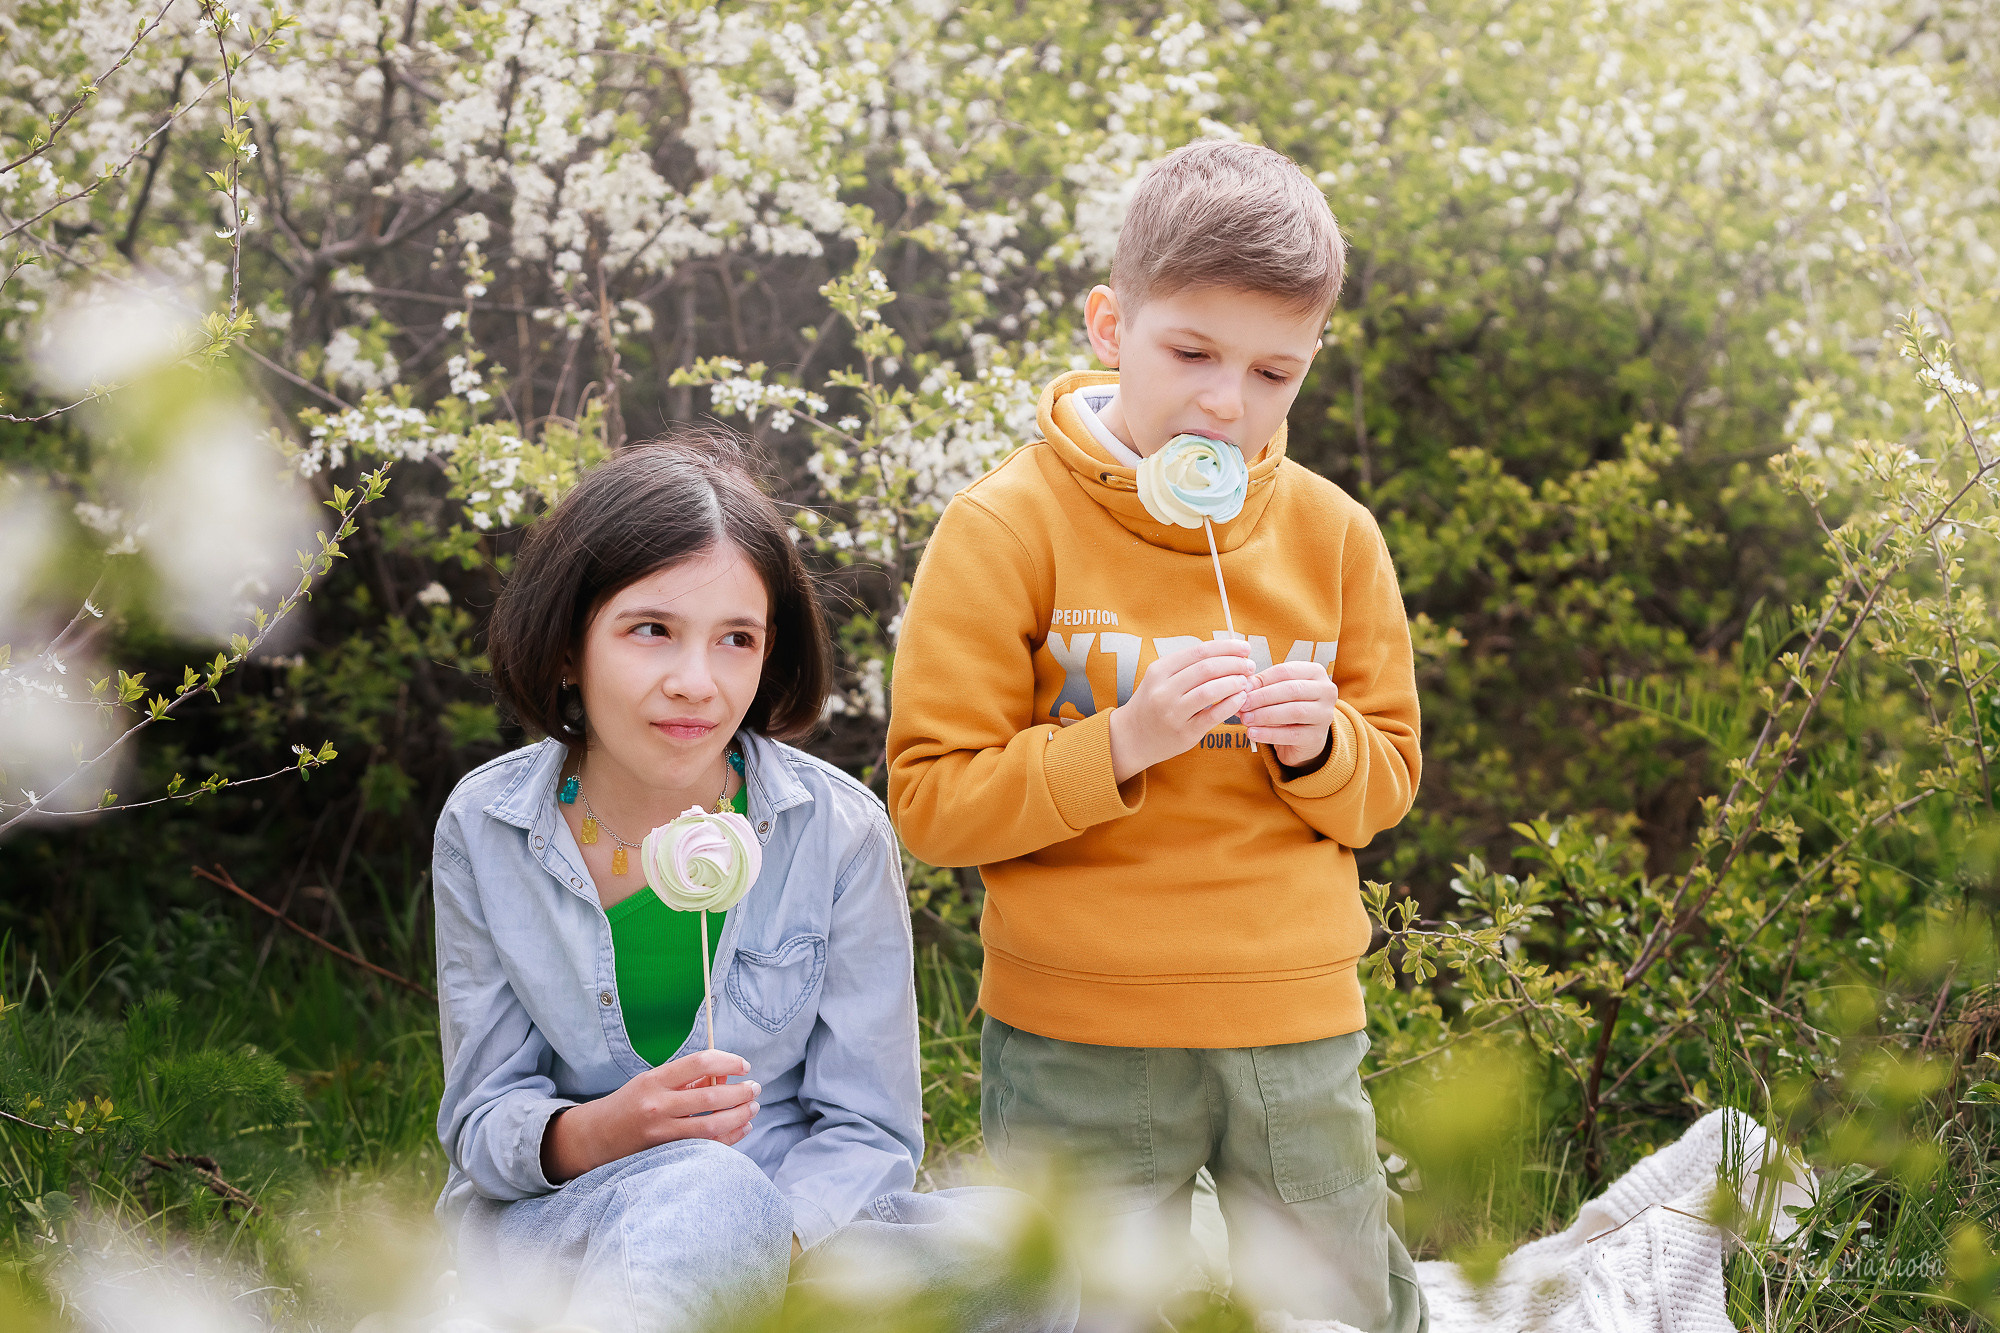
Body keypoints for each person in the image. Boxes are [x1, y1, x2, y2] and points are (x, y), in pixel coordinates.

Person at [886, 140, 1427, 1330]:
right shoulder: (1001, 527)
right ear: (1107, 325)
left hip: (1291, 1017)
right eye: (1190, 352)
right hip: (1078, 1027)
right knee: (1079, 1308)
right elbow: (931, 801)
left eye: (1272, 372)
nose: (1225, 403)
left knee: (1338, 1306)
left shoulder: (1334, 537)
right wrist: (1120, 740)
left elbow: (1382, 785)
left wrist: (1319, 747)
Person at [433, 433, 1073, 1332]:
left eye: (736, 639)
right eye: (651, 629)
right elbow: (483, 1120)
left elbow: (869, 1133)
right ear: (569, 645)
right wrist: (611, 1129)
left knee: (1021, 1246)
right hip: (572, 1223)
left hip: (800, 1239)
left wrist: (762, 1251)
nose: (696, 682)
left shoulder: (836, 830)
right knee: (703, 1191)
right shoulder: (487, 825)